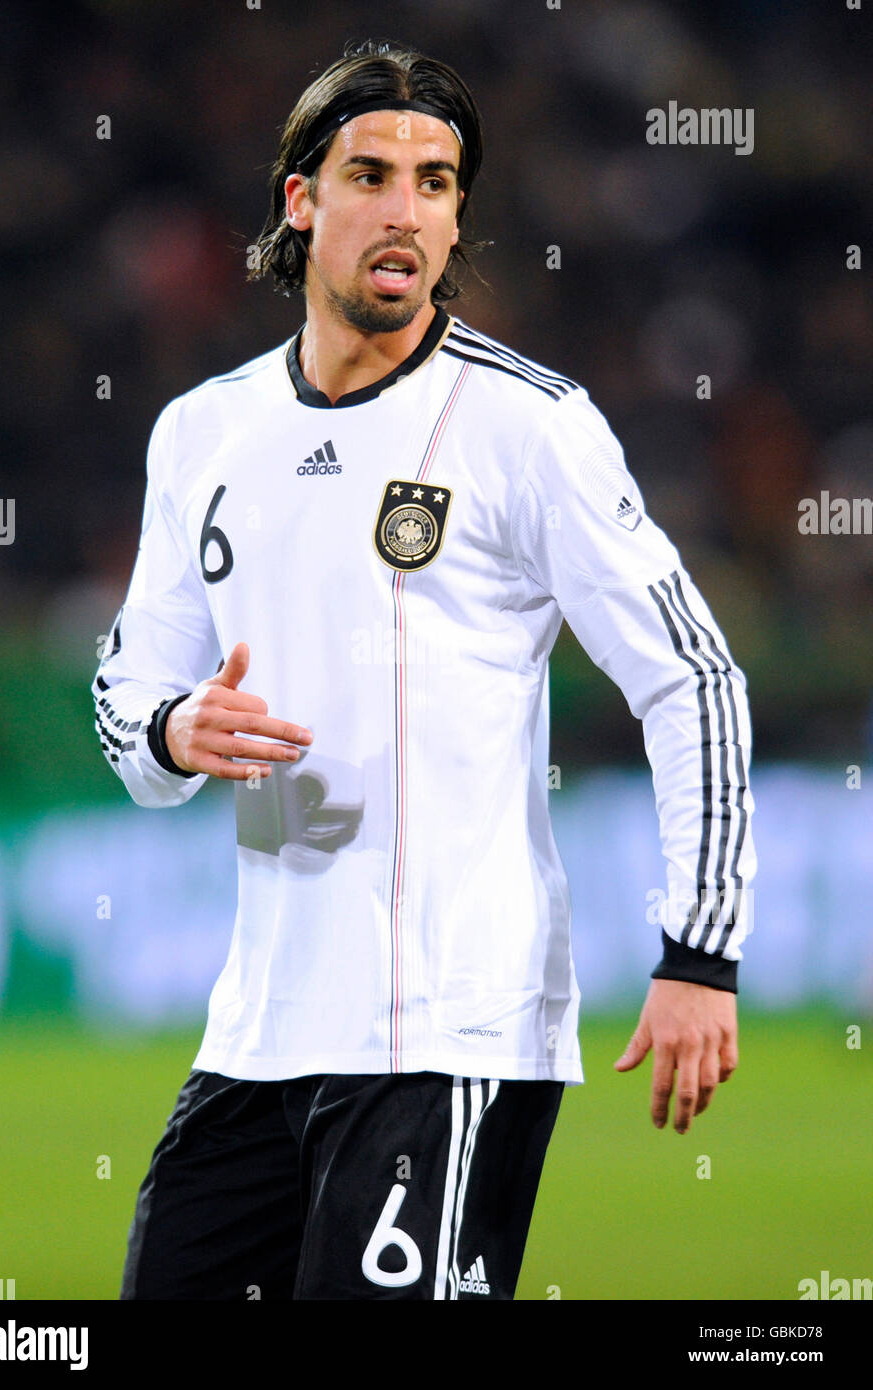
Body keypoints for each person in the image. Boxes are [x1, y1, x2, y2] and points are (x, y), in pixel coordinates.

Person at [92, 38, 756, 1301]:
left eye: (439, 183)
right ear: (303, 201)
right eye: (375, 173)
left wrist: (699, 956)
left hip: (450, 1029)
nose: (409, 210)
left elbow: (695, 677)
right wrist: (178, 729)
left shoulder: (527, 428)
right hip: (259, 1035)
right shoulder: (204, 433)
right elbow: (126, 694)